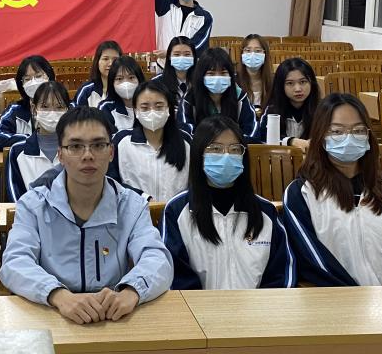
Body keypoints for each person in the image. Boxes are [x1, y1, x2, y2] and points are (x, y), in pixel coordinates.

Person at [0, 107, 173, 324]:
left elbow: (156, 258)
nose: (88, 155)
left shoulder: (132, 205)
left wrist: (132, 291)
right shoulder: (33, 205)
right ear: (60, 155)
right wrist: (58, 295)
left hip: (113, 316)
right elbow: (15, 262)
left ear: (111, 152)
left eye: (98, 145)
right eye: (75, 146)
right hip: (52, 315)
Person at [283, 93, 382, 287]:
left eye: (358, 130)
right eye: (337, 131)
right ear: (320, 137)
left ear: (368, 136)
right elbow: (311, 259)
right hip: (335, 300)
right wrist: (354, 297)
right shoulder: (302, 194)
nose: (349, 137)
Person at [162, 116, 294, 289]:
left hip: (260, 305)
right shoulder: (177, 210)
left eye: (235, 149)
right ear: (198, 154)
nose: (226, 156)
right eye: (215, 149)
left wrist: (263, 305)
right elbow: (176, 275)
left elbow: (281, 273)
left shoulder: (265, 211)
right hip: (198, 306)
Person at [109, 80, 191, 203]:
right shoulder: (121, 141)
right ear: (136, 111)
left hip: (175, 212)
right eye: (145, 107)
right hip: (135, 210)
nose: (152, 112)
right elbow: (110, 180)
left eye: (159, 106)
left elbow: (195, 182)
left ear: (169, 109)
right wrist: (142, 197)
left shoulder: (185, 141)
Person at [6, 81, 72, 202]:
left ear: (67, 110)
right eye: (45, 107)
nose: (52, 113)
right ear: (34, 109)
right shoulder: (17, 151)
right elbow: (16, 198)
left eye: (59, 107)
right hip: (29, 212)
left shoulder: (77, 149)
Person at [180, 48, 257, 138]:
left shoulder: (240, 97)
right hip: (200, 146)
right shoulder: (190, 98)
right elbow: (185, 132)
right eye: (211, 73)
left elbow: (251, 131)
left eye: (223, 73)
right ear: (201, 76)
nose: (217, 78)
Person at [0, 55, 56, 148]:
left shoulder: (64, 107)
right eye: (27, 79)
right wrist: (30, 140)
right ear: (22, 84)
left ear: (49, 77)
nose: (33, 82)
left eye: (38, 76)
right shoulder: (15, 110)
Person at [255, 58, 320, 151]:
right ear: (281, 86)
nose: (298, 89)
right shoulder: (272, 110)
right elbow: (263, 138)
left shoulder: (321, 109)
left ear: (311, 83)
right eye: (290, 83)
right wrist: (291, 141)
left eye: (303, 82)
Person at [98, 56, 146, 134]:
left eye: (131, 77)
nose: (126, 83)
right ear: (112, 82)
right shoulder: (106, 108)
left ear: (139, 79)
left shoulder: (149, 104)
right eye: (119, 79)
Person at [75, 40, 122, 108]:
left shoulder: (125, 89)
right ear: (97, 62)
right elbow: (76, 113)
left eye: (115, 59)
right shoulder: (86, 90)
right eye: (105, 59)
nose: (111, 64)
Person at [236, 34, 273, 112]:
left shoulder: (273, 82)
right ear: (242, 54)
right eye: (248, 50)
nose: (252, 54)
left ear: (265, 54)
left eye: (258, 51)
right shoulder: (235, 82)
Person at [152, 36, 194, 101]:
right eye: (177, 54)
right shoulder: (156, 83)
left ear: (194, 56)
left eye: (187, 54)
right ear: (169, 57)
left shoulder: (201, 81)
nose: (181, 58)